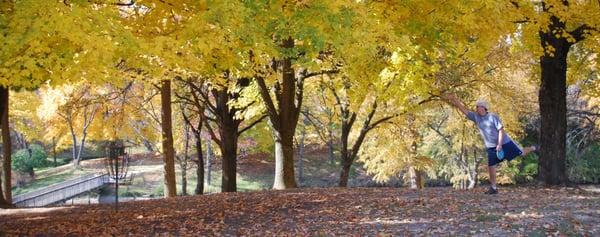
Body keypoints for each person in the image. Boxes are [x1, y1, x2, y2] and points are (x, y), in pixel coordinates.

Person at [441, 93, 538, 194]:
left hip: (504, 142)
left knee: (521, 153)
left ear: (484, 108)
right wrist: (455, 100)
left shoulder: (492, 117)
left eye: (479, 106)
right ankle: (493, 188)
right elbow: (464, 110)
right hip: (491, 146)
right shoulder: (476, 117)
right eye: (476, 107)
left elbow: (501, 130)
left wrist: (499, 144)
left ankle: (533, 148)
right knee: (491, 166)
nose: (477, 108)